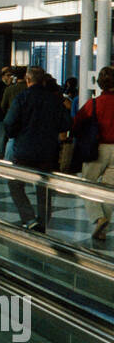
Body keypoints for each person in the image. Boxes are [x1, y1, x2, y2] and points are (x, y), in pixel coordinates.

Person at [3, 65, 67, 232]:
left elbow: (9, 123)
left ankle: (29, 218)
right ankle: (44, 221)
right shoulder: (54, 99)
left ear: (28, 79)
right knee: (44, 187)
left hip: (24, 150)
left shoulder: (21, 97)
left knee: (15, 184)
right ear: (43, 80)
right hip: (48, 152)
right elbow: (66, 123)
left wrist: (15, 134)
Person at [74, 65, 114, 243]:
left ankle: (99, 219)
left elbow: (76, 124)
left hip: (97, 149)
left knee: (87, 184)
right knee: (109, 190)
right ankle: (102, 229)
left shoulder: (94, 103)